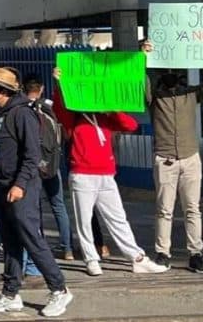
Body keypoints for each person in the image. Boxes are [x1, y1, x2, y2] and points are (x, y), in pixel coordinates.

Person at [50, 67, 168, 277]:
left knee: (118, 218)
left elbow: (130, 124)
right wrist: (59, 84)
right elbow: (59, 108)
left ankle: (137, 258)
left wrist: (111, 108)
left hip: (106, 174)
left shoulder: (106, 117)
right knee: (84, 220)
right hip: (82, 174)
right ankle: (91, 259)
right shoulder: (74, 117)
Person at [0, 67, 72, 318]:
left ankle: (59, 289)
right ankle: (10, 294)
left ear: (3, 91)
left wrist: (19, 184)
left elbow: (32, 156)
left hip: (21, 187)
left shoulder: (23, 114)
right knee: (10, 240)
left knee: (32, 238)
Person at [142, 34, 203, 274]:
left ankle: (196, 254)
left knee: (192, 208)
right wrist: (144, 55)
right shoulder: (153, 97)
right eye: (165, 72)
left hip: (190, 158)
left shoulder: (192, 94)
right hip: (165, 158)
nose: (172, 77)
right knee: (164, 209)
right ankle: (162, 253)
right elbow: (137, 79)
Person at [21, 75, 74, 260]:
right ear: (41, 88)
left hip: (30, 166)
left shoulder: (20, 108)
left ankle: (39, 246)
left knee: (34, 207)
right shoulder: (50, 106)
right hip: (51, 164)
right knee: (58, 205)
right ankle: (67, 247)